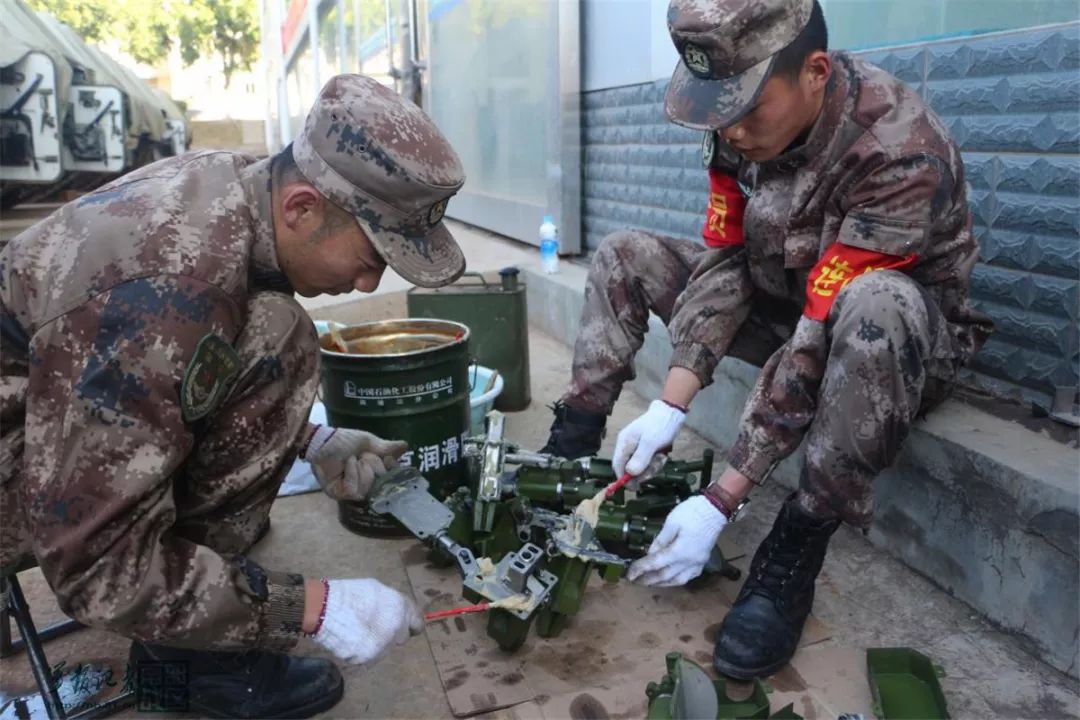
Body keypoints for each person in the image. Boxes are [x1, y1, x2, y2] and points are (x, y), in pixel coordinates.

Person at [538, 0, 992, 680]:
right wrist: (672, 400)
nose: (734, 129)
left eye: (749, 109)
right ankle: (566, 461)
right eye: (720, 108)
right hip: (787, 301)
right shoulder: (735, 127)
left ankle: (796, 547)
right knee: (624, 253)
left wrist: (724, 497)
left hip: (889, 345)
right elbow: (728, 262)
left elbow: (816, 339)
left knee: (873, 308)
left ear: (814, 72)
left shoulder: (898, 150)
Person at [0, 73, 467, 718]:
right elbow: (95, 569)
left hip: (40, 396)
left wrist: (312, 441)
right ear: (303, 208)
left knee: (280, 334)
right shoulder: (163, 293)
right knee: (282, 339)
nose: (367, 282)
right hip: (18, 452)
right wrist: (309, 607)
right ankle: (191, 662)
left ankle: (190, 619)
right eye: (370, 256)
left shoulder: (239, 188)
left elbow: (158, 387)